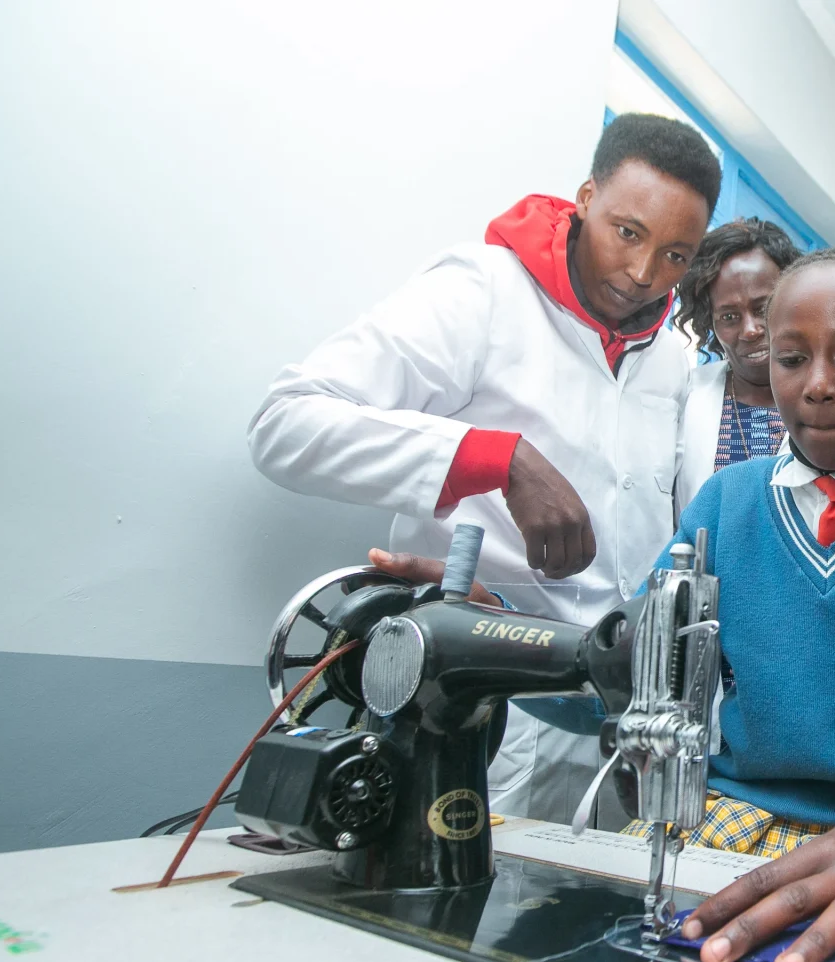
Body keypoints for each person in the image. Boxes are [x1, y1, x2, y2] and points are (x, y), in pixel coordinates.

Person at [376, 248, 835, 962]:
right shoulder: (725, 505)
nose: (817, 386)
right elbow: (633, 667)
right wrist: (499, 628)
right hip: (727, 831)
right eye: (791, 359)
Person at [247, 113, 719, 821]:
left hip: (618, 732)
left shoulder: (674, 364)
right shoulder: (485, 292)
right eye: (628, 232)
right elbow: (285, 424)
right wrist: (492, 457)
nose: (644, 273)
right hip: (485, 723)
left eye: (676, 255)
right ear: (586, 198)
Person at [671, 218, 801, 511]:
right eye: (729, 316)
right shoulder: (686, 394)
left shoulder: (827, 397)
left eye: (763, 308)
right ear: (710, 322)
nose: (751, 330)